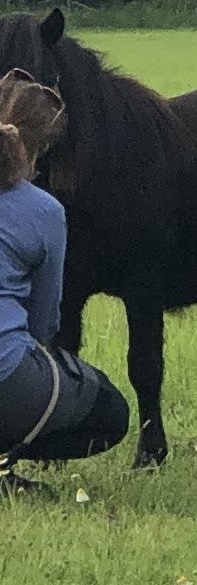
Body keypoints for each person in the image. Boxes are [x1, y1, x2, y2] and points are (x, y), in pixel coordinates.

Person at [0, 70, 128, 495]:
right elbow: (43, 323)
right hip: (7, 372)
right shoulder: (43, 211)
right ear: (41, 148)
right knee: (110, 413)